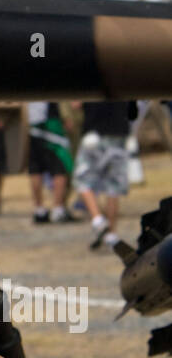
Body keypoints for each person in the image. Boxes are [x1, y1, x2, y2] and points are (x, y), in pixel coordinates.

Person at [72, 100, 135, 250]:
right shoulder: (124, 78)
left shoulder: (92, 78)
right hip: (119, 134)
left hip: (94, 135)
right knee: (113, 187)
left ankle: (98, 220)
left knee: (81, 180)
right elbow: (133, 110)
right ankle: (111, 235)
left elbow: (76, 104)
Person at [27, 101, 75, 223]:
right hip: (51, 123)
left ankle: (39, 209)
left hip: (32, 122)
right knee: (59, 167)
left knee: (36, 168)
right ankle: (57, 209)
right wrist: (67, 117)